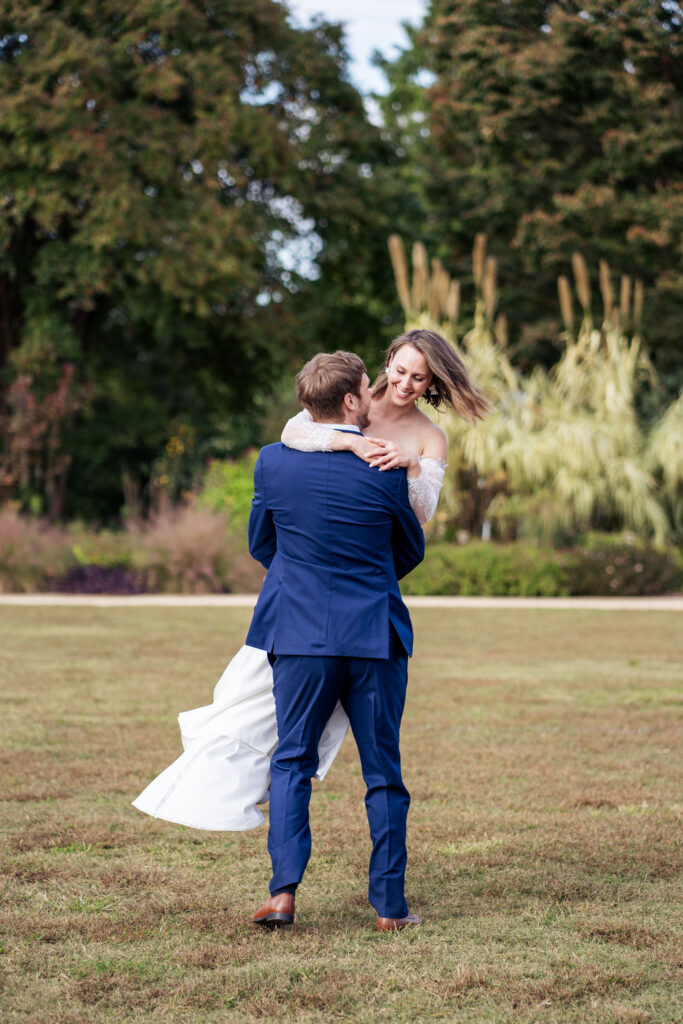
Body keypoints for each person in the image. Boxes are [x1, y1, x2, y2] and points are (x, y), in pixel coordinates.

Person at [132, 329, 486, 833]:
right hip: (303, 591)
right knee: (253, 701)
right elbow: (294, 436)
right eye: (401, 371)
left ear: (433, 382)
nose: (406, 384)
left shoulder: (430, 437)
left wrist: (409, 465)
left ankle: (279, 796)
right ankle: (236, 786)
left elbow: (420, 515)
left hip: (365, 588)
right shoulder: (345, 394)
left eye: (420, 378)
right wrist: (351, 443)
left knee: (341, 726)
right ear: (388, 363)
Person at [248, 350, 425, 930]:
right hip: (373, 633)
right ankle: (390, 908)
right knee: (383, 774)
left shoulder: (272, 463)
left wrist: (304, 575)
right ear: (351, 401)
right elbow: (410, 551)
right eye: (368, 390)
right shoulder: (387, 468)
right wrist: (363, 576)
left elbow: (261, 543)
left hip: (298, 632)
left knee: (291, 762)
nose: (378, 394)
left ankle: (282, 895)